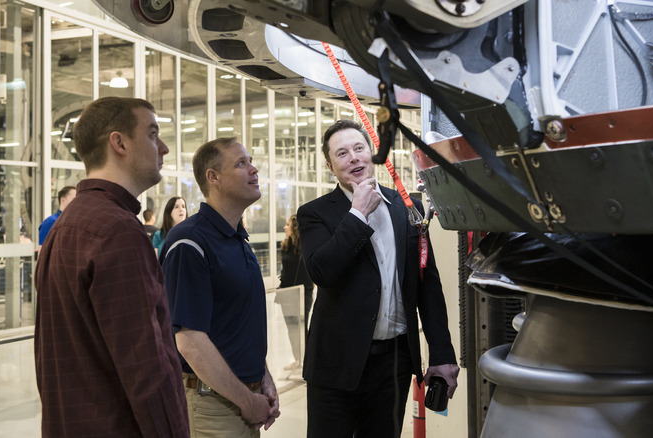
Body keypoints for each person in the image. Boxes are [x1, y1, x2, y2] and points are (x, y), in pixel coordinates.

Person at [34, 96, 190, 437]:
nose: (163, 147)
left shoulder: (69, 223)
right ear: (118, 143)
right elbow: (148, 367)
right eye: (152, 133)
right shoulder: (117, 230)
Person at [296, 119, 460, 437]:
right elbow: (322, 272)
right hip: (336, 367)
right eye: (342, 153)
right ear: (330, 166)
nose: (354, 158)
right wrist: (358, 214)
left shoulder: (404, 206)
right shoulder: (315, 213)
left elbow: (427, 285)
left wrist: (441, 354)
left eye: (359, 148)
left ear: (372, 154)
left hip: (393, 365)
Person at [160, 137, 279, 437]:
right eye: (241, 163)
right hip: (213, 405)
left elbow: (236, 322)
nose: (254, 169)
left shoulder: (237, 238)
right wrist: (245, 400)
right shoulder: (190, 241)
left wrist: (262, 377)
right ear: (213, 177)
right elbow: (190, 341)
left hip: (242, 398)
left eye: (251, 161)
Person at [277, 214, 313, 370]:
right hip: (286, 292)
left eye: (287, 225)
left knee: (301, 326)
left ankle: (308, 360)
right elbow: (285, 270)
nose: (285, 227)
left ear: (295, 228)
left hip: (302, 293)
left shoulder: (306, 246)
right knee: (291, 328)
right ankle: (298, 359)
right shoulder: (285, 245)